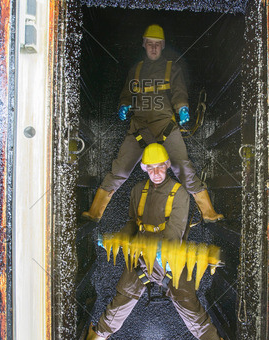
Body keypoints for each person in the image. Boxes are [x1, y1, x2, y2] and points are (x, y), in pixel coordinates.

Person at [76, 144, 237, 340]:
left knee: (191, 310)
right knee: (120, 304)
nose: (156, 173)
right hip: (141, 255)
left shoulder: (180, 193)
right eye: (150, 168)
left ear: (167, 166)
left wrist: (157, 260)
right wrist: (119, 238)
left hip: (172, 258)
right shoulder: (137, 190)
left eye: (160, 167)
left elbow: (173, 234)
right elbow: (132, 223)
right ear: (144, 169)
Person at [81, 24, 224, 224]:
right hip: (138, 128)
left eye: (157, 44)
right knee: (119, 171)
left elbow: (179, 93)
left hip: (166, 126)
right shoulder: (135, 70)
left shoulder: (172, 68)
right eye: (150, 44)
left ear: (163, 45)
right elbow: (127, 94)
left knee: (185, 169)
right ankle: (94, 213)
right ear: (144, 45)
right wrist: (124, 105)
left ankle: (209, 214)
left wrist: (182, 107)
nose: (154, 48)